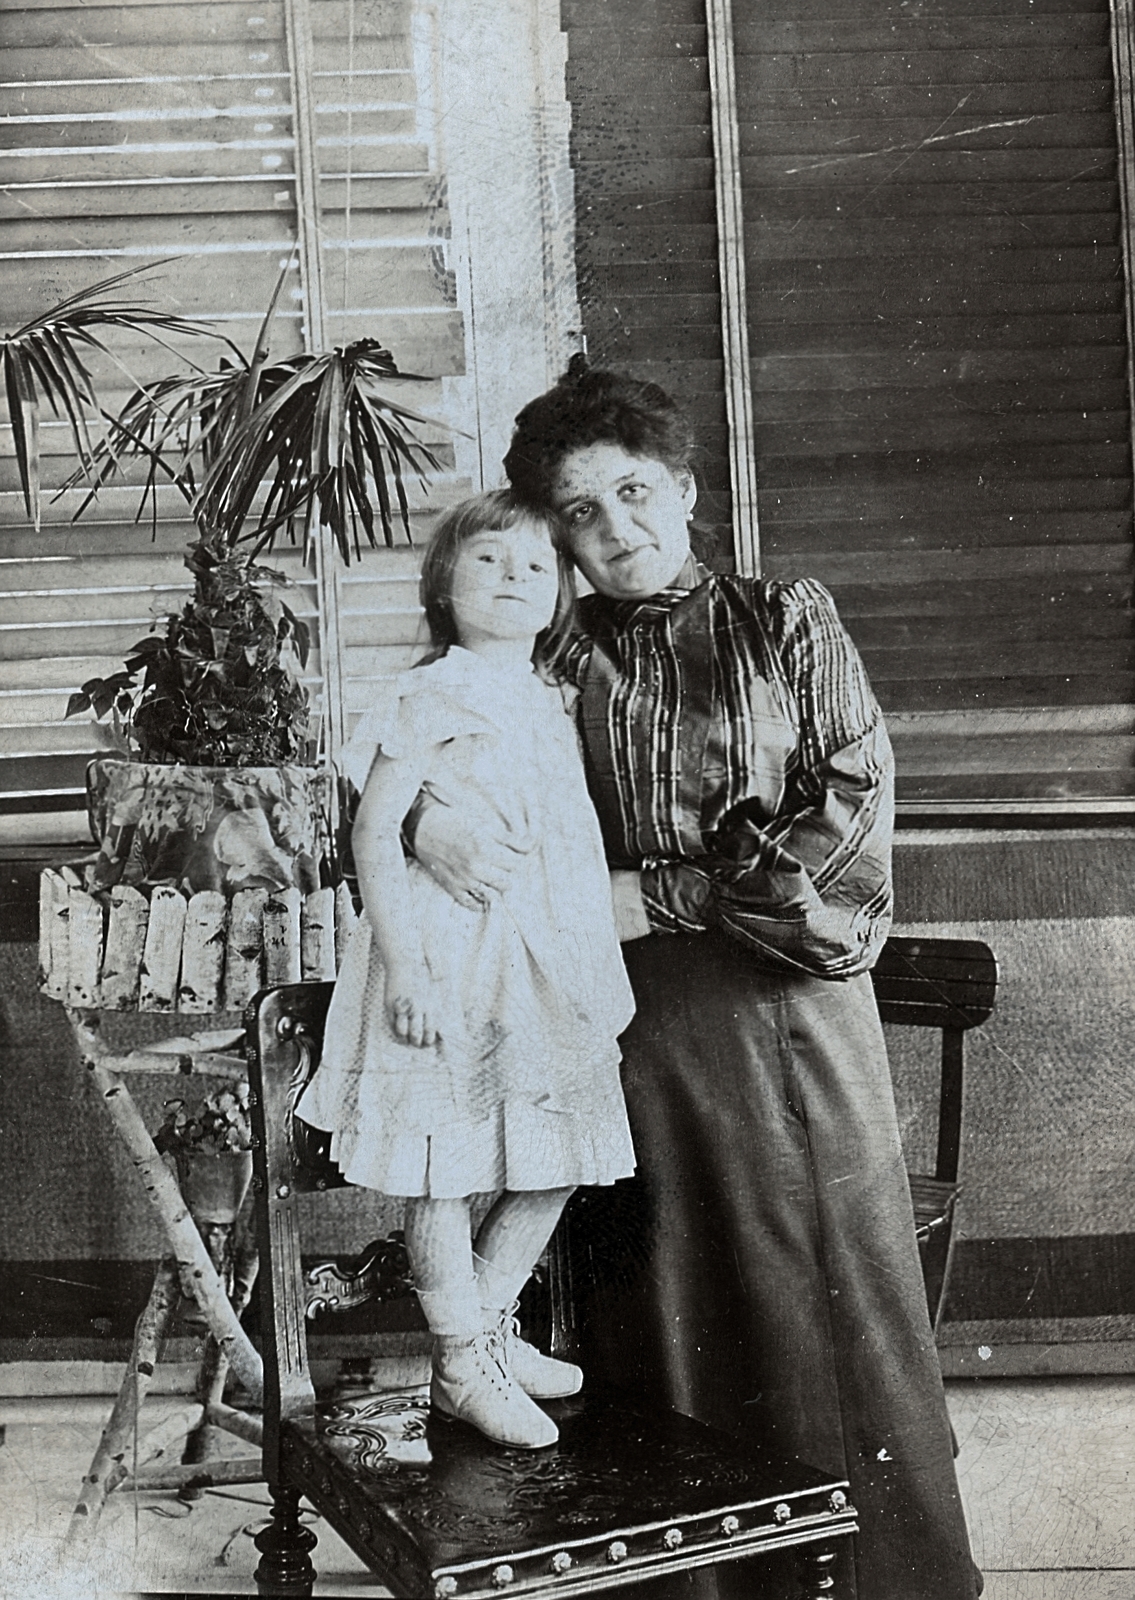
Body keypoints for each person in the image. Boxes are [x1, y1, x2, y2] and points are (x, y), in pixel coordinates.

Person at [406, 361, 982, 1598]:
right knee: (645, 1316)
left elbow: (847, 840)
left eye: (632, 492)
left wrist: (650, 897)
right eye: (579, 511)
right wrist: (421, 829)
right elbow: (416, 749)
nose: (615, 531)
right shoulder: (530, 650)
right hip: (605, 1031)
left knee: (814, 1311)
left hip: (786, 1031)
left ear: (684, 487)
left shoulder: (787, 622)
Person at [297, 488, 636, 1451]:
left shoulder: (551, 699)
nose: (512, 580)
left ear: (562, 593)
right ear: (442, 584)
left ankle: (479, 1328)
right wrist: (403, 966)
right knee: (442, 1165)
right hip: (446, 950)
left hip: (539, 955)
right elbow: (373, 829)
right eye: (486, 560)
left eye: (535, 566)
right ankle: (457, 1357)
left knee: (562, 1155)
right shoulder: (430, 690)